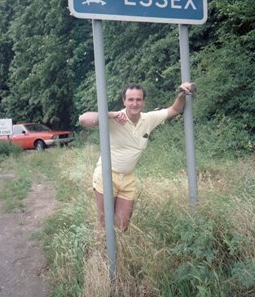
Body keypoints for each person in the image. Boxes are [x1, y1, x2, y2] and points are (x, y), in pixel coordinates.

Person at [79, 81, 195, 232]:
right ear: (124, 101)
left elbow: (175, 109)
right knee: (105, 223)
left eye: (138, 99)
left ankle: (117, 255)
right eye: (131, 99)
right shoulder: (114, 119)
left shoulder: (149, 119)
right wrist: (110, 115)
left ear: (143, 102)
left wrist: (181, 94)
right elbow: (83, 119)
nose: (134, 103)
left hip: (128, 179)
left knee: (122, 227)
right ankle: (99, 255)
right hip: (106, 175)